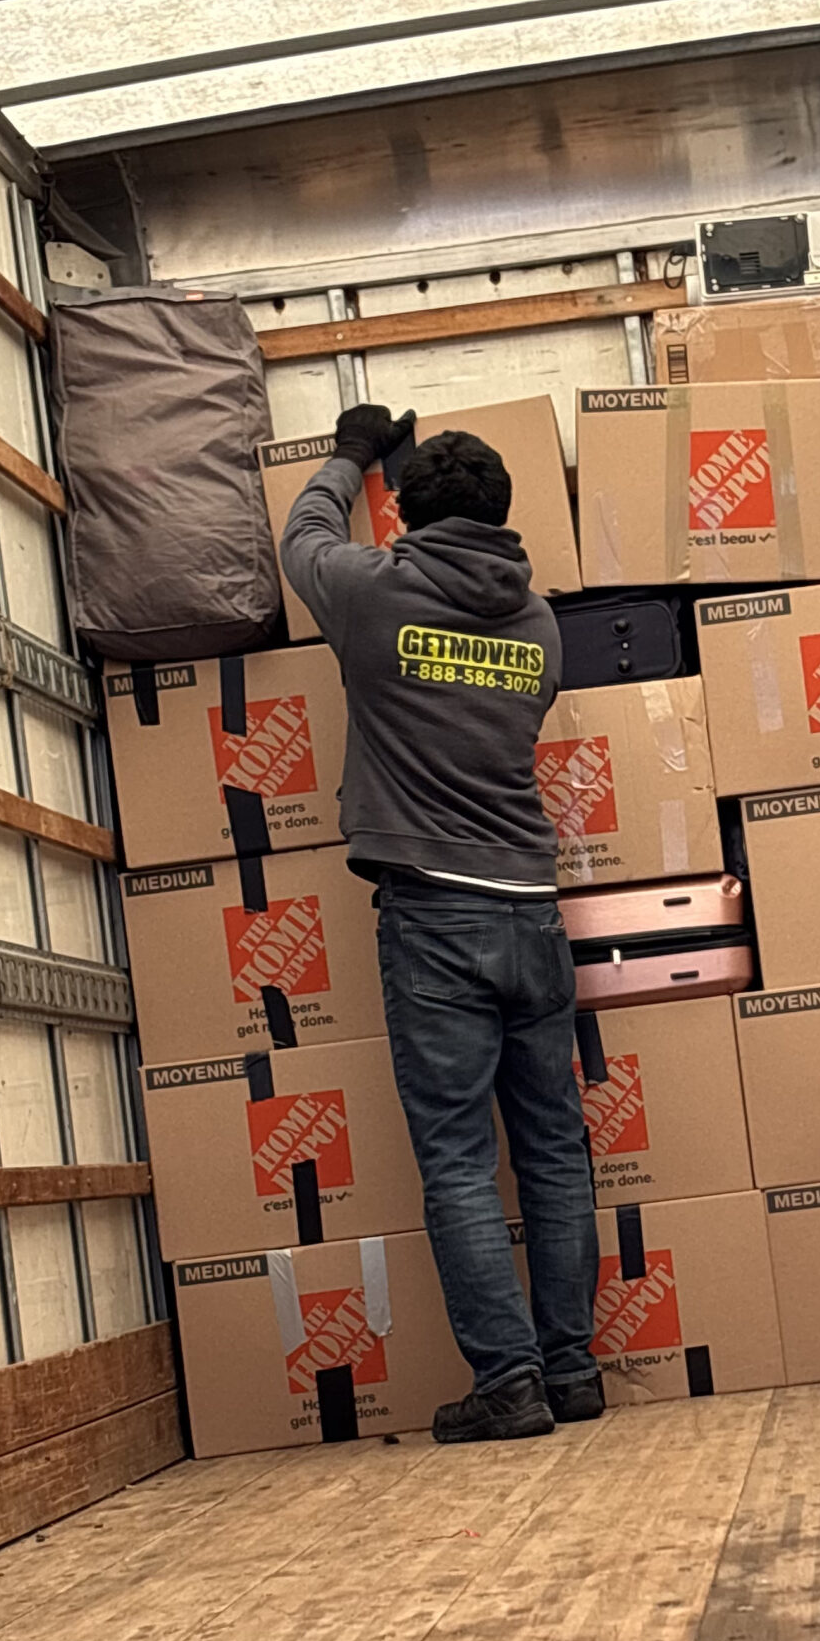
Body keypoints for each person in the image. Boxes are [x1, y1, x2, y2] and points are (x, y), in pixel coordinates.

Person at [280, 402, 601, 1444]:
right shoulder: (540, 624)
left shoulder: (372, 596)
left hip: (432, 914)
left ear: (406, 519)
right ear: (506, 514)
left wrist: (353, 452)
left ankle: (508, 1381)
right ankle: (571, 1368)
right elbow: (461, 613)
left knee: (461, 1157)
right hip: (531, 912)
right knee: (552, 1150)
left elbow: (303, 539)